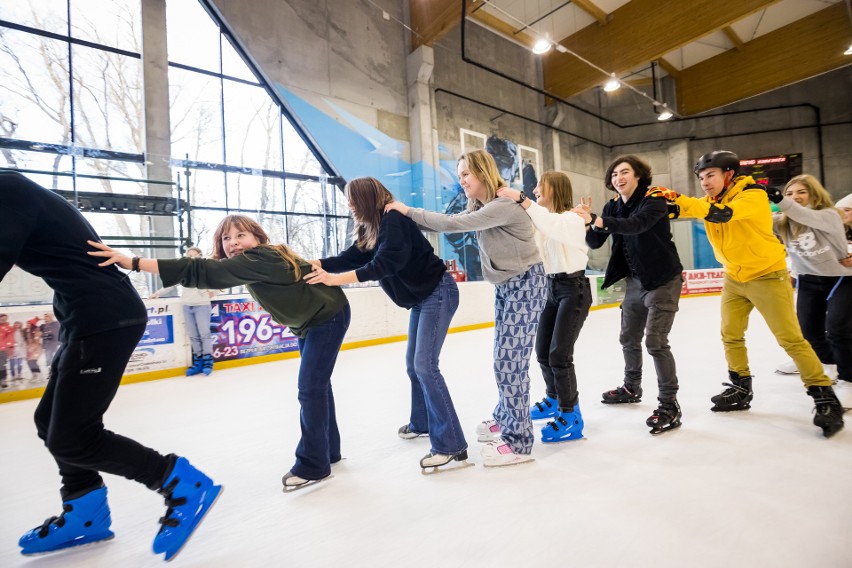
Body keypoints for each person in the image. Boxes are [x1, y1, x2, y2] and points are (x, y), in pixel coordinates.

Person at [0, 171, 221, 560]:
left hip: (104, 318)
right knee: (50, 422)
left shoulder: (7, 190)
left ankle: (181, 483)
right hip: (86, 318)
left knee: (72, 437)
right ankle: (85, 513)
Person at [90, 214, 351, 491]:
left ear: (258, 238)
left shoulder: (261, 257)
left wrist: (133, 262)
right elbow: (203, 271)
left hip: (327, 316)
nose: (234, 242)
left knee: (311, 387)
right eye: (227, 238)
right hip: (312, 320)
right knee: (317, 387)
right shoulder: (252, 262)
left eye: (241, 235)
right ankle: (328, 451)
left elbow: (200, 270)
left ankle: (314, 465)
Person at [385, 149, 546, 467]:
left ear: (484, 172)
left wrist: (407, 210)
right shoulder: (485, 205)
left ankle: (518, 442)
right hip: (507, 286)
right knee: (502, 360)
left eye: (466, 175)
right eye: (459, 176)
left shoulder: (502, 205)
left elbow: (452, 224)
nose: (461, 181)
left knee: (510, 364)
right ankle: (506, 417)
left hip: (526, 284)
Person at [670, 151, 844, 437]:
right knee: (730, 334)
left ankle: (824, 396)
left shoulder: (750, 194)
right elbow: (686, 209)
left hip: (767, 275)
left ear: (728, 174)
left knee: (790, 339)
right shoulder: (711, 200)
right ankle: (740, 387)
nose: (704, 183)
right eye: (701, 178)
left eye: (710, 175)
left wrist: (681, 203)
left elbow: (724, 216)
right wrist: (663, 200)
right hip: (734, 278)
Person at [305, 177, 468, 473]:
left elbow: (384, 265)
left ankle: (451, 444)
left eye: (354, 200)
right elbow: (351, 257)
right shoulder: (374, 226)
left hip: (437, 293)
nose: (350, 206)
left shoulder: (393, 220)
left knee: (425, 365)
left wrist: (334, 279)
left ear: (367, 198)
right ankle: (422, 423)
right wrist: (315, 264)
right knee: (413, 365)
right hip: (423, 298)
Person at [577, 155, 684, 435]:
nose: (618, 177)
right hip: (635, 280)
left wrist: (598, 219)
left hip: (662, 278)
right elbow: (594, 241)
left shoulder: (654, 199)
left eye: (624, 172)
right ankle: (631, 387)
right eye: (613, 174)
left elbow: (636, 225)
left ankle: (669, 403)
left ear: (638, 176)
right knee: (628, 337)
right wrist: (588, 223)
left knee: (656, 341)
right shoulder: (612, 205)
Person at [497, 172, 591, 442]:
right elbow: (536, 226)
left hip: (574, 290)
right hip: (550, 289)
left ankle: (570, 414)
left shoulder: (571, 219)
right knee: (543, 352)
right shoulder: (541, 220)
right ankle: (553, 398)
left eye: (541, 186)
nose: (536, 189)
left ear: (555, 188)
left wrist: (522, 198)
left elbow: (551, 222)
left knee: (560, 355)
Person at [768, 175, 851, 384]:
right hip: (808, 280)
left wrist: (779, 199)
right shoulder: (781, 222)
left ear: (814, 194)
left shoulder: (830, 215)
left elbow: (805, 216)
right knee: (808, 330)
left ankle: (849, 380)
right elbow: (753, 222)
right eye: (789, 193)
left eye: (801, 192)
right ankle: (829, 364)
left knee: (837, 328)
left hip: (840, 278)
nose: (794, 197)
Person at [150, 247, 218, 377]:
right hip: (187, 305)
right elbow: (170, 284)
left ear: (199, 256)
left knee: (204, 333)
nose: (191, 258)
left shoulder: (206, 270)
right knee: (193, 334)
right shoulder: (183, 271)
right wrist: (157, 293)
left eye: (194, 255)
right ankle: (198, 360)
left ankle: (208, 361)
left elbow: (218, 283)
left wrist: (212, 292)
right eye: (189, 255)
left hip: (202, 305)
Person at [0, 313, 12, 388]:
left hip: (2, 350)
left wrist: (4, 345)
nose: (3, 320)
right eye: (2, 318)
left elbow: (10, 338)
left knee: (2, 366)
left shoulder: (8, 328)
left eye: (5, 319)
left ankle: (3, 379)